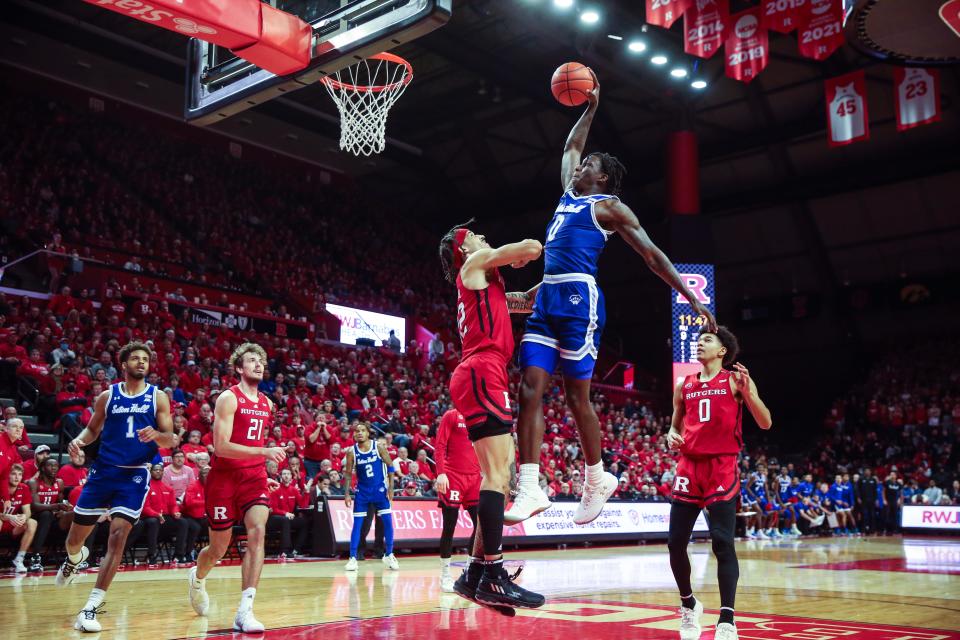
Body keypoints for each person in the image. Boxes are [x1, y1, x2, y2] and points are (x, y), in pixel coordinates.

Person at [509, 70, 716, 526]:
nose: (581, 166)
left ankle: (597, 476)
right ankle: (528, 485)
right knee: (529, 391)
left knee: (576, 397)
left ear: (602, 178)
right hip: (546, 301)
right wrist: (591, 108)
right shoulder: (567, 197)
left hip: (581, 303)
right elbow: (569, 149)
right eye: (583, 164)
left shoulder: (609, 207)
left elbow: (653, 255)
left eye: (589, 165)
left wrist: (691, 299)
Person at [438, 221, 545, 613]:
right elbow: (532, 246)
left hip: (480, 371)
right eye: (478, 237)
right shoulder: (476, 262)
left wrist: (554, 283)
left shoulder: (488, 284)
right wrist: (516, 254)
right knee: (498, 476)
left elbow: (527, 301)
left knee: (497, 477)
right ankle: (494, 574)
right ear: (466, 249)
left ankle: (474, 576)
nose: (484, 238)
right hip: (483, 370)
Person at [56, 341, 177, 633]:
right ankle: (76, 558)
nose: (141, 363)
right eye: (135, 358)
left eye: (145, 359)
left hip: (135, 475)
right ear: (123, 365)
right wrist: (79, 441)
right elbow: (93, 428)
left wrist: (157, 436)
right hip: (103, 472)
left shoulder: (158, 397)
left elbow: (170, 438)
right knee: (74, 540)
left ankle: (90, 607)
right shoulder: (108, 396)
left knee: (118, 535)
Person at [665, 327, 772, 640]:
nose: (700, 343)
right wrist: (671, 435)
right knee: (675, 544)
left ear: (723, 351)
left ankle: (727, 619)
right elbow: (674, 425)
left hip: (721, 466)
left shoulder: (736, 381)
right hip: (688, 467)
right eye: (698, 340)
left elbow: (765, 422)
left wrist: (749, 392)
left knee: (722, 542)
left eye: (707, 340)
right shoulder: (684, 384)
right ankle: (689, 605)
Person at [187, 343, 285, 633]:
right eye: (251, 361)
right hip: (224, 478)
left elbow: (251, 445)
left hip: (253, 478)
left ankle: (245, 610)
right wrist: (264, 453)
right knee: (217, 548)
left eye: (261, 361)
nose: (258, 364)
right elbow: (222, 447)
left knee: (258, 532)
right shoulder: (228, 398)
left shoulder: (268, 404)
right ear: (240, 368)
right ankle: (198, 576)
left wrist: (258, 470)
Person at [433, 408, 481, 592]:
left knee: (480, 526)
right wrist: (441, 474)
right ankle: (445, 575)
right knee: (449, 526)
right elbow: (440, 445)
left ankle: (469, 573)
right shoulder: (451, 415)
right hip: (453, 476)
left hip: (475, 478)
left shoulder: (479, 416)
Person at [342, 422, 399, 571]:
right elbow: (348, 474)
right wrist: (347, 493)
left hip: (380, 491)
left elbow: (390, 465)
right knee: (358, 525)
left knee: (387, 523)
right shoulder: (351, 452)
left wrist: (391, 487)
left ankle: (389, 554)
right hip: (362, 493)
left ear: (368, 433)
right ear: (354, 434)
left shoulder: (378, 447)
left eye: (362, 430)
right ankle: (353, 558)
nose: (359, 433)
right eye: (356, 431)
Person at [1, 463, 37, 572]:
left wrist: (24, 517)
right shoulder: (1, 487)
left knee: (32, 522)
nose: (17, 477)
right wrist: (8, 517)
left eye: (20, 474)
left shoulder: (24, 488)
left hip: (13, 524)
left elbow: (28, 511)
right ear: (7, 475)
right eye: (13, 474)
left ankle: (19, 559)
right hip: (2, 521)